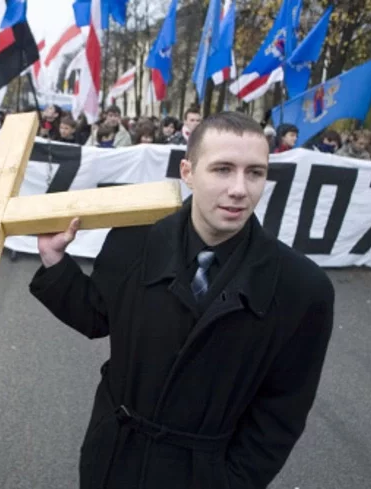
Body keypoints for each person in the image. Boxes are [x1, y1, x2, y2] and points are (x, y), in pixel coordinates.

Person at [29, 111, 335, 489]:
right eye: (222, 169)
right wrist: (54, 261)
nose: (240, 189)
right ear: (188, 172)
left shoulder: (301, 288)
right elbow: (96, 316)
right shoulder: (134, 241)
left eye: (255, 173)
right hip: (112, 460)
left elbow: (282, 410)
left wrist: (231, 481)